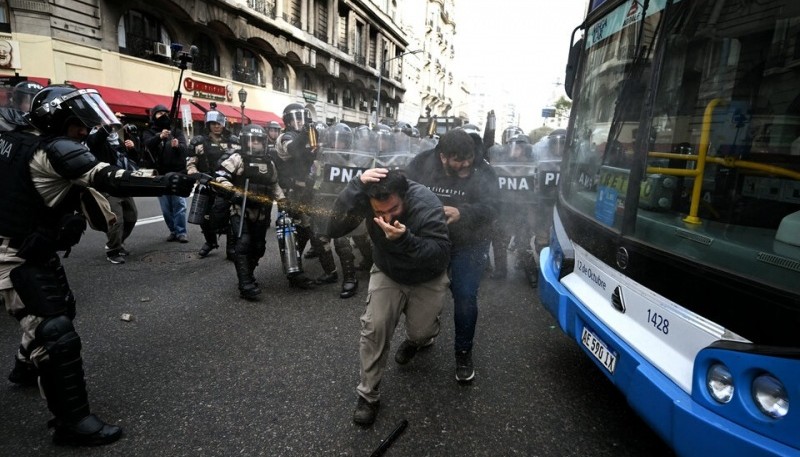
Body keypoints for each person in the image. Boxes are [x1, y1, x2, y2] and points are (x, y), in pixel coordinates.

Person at [0, 84, 193, 445]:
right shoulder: (53, 150)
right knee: (54, 331)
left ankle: (25, 367)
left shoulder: (16, 140)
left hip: (31, 248)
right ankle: (71, 424)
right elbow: (111, 178)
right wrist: (170, 182)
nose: (85, 131)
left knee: (59, 308)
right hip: (13, 255)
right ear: (57, 121)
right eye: (78, 123)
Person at [326, 168, 451, 426]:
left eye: (393, 209)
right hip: (388, 270)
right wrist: (355, 185)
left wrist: (405, 240)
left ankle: (418, 341)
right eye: (379, 212)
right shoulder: (366, 198)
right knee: (375, 328)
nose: (386, 217)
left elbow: (440, 253)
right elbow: (333, 227)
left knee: (421, 332)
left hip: (427, 275)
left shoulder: (427, 203)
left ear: (404, 197)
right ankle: (368, 395)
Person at [405, 128, 499, 383]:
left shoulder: (483, 170)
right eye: (459, 160)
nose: (465, 164)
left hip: (470, 242)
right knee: (421, 293)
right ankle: (419, 337)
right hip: (431, 240)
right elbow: (403, 191)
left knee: (465, 296)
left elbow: (494, 207)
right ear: (444, 156)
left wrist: (463, 213)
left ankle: (463, 352)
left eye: (469, 158)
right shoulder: (423, 162)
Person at [213, 124, 285, 300]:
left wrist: (282, 200)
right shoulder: (237, 158)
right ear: (244, 142)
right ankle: (245, 284)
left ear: (263, 142)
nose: (254, 144)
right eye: (250, 140)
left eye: (257, 141)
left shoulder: (269, 162)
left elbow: (274, 184)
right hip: (240, 208)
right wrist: (232, 192)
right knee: (243, 244)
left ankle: (249, 274)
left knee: (259, 247)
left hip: (261, 211)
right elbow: (220, 177)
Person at [274, 103, 332, 289]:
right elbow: (294, 150)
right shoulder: (285, 137)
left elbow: (320, 156)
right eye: (295, 119)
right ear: (288, 121)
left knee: (313, 230)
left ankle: (330, 272)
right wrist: (306, 134)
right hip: (292, 193)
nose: (299, 122)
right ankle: (294, 274)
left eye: (301, 118)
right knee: (292, 233)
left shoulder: (309, 136)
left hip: (308, 191)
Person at [187, 110, 238, 258]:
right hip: (206, 183)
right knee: (203, 216)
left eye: (219, 123)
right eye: (213, 124)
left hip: (226, 184)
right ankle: (210, 242)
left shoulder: (233, 141)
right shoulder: (199, 142)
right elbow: (191, 164)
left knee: (229, 216)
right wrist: (196, 175)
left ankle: (231, 247)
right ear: (208, 125)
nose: (216, 126)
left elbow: (239, 161)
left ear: (224, 124)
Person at [85, 126, 140, 264]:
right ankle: (113, 250)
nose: (113, 129)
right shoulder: (93, 139)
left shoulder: (118, 142)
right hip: (107, 184)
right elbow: (96, 140)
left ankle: (119, 242)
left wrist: (132, 148)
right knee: (116, 220)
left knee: (132, 216)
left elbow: (134, 160)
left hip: (123, 183)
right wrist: (106, 126)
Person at [142, 104, 189, 243]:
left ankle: (181, 232)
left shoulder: (177, 131)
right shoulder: (148, 132)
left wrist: (178, 146)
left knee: (179, 204)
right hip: (160, 174)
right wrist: (160, 137)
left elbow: (185, 151)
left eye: (165, 113)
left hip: (177, 173)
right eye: (159, 113)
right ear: (153, 116)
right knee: (166, 207)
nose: (163, 116)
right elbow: (147, 145)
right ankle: (173, 230)